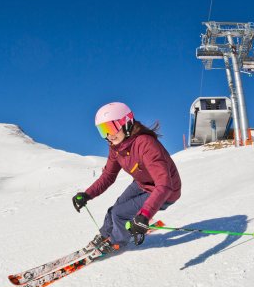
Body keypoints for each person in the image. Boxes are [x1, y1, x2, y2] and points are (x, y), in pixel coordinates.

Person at [72, 102, 181, 254]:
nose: (108, 135)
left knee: (120, 213)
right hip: (142, 183)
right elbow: (108, 176)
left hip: (165, 190)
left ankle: (117, 242)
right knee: (114, 210)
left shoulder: (146, 144)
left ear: (126, 122)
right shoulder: (116, 147)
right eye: (103, 130)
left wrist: (144, 216)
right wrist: (87, 194)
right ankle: (105, 235)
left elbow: (164, 184)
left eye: (111, 128)